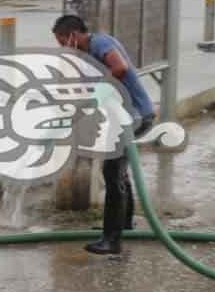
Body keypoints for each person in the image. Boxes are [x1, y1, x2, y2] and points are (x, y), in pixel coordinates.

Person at [52, 14, 156, 256]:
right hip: (126, 117)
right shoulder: (87, 52)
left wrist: (98, 91)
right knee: (118, 173)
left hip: (134, 117)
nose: (61, 46)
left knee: (112, 174)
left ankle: (112, 240)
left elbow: (120, 67)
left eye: (61, 40)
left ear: (74, 35)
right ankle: (123, 225)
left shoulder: (99, 44)